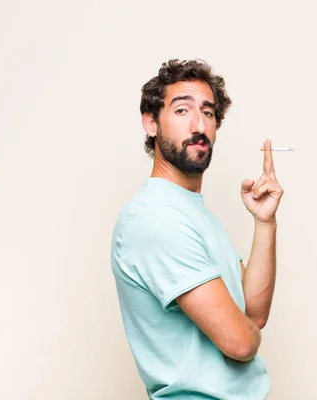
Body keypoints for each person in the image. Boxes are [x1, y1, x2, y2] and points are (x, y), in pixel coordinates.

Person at [110, 59, 283, 400]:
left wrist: (265, 222)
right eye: (181, 110)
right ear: (151, 123)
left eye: (207, 112)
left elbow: (254, 314)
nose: (198, 125)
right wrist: (244, 332)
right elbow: (242, 341)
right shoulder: (155, 218)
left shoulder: (188, 211)